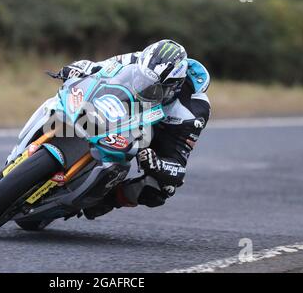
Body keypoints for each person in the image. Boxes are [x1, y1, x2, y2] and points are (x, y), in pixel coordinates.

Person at [56, 39, 211, 219]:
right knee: (66, 101)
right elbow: (97, 68)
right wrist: (76, 69)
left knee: (162, 189)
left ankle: (108, 200)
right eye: (142, 79)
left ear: (175, 86)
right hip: (121, 104)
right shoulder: (138, 60)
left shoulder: (193, 110)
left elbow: (178, 166)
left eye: (155, 88)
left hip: (156, 131)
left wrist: (157, 164)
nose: (145, 88)